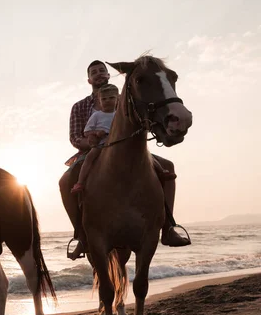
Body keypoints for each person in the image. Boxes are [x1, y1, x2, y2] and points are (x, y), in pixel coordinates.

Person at [59, 60, 189, 260]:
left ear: (108, 75)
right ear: (88, 80)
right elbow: (75, 137)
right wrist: (90, 140)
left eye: (102, 70)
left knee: (167, 166)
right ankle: (81, 235)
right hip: (93, 151)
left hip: (127, 150)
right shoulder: (80, 106)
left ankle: (169, 227)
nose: (99, 74)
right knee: (65, 181)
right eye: (94, 72)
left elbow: (143, 119)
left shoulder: (125, 99)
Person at [70, 83, 119, 193]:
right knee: (90, 158)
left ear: (117, 98)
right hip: (100, 144)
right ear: (100, 100)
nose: (107, 101)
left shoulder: (119, 114)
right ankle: (80, 182)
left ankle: (160, 170)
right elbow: (85, 132)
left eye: (111, 98)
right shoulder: (96, 114)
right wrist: (96, 133)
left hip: (119, 143)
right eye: (104, 99)